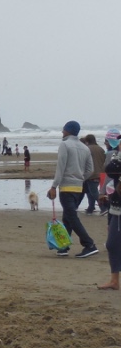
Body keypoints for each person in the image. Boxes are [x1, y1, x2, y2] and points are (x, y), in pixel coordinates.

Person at [47, 121, 97, 258]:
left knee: (71, 217)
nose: (62, 131)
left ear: (68, 130)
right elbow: (90, 170)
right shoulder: (84, 147)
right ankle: (64, 246)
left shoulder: (64, 144)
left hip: (67, 187)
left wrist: (53, 186)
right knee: (68, 217)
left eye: (63, 129)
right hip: (78, 188)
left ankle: (89, 244)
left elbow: (60, 167)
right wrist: (80, 179)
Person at [97, 149, 121, 289]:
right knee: (111, 244)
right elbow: (110, 170)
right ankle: (114, 280)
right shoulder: (116, 154)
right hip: (115, 208)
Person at [82, 134, 106, 214]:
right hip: (101, 173)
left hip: (91, 173)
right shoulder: (101, 149)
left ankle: (103, 208)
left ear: (87, 141)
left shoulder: (87, 149)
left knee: (94, 192)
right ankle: (91, 207)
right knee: (90, 191)